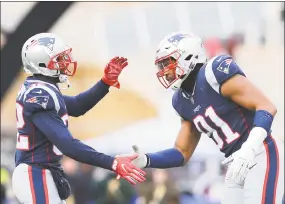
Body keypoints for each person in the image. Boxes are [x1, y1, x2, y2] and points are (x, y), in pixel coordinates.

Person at [122, 32, 284, 204]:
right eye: (161, 66)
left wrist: (249, 148)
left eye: (168, 63)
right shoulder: (181, 100)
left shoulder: (214, 73)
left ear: (188, 56)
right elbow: (181, 153)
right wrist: (146, 159)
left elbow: (266, 106)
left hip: (261, 151)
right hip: (235, 162)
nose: (164, 71)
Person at [12, 33, 146, 204]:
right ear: (41, 63)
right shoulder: (39, 94)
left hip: (42, 172)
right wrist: (112, 162)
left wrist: (105, 83)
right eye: (59, 59)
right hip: (34, 173)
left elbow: (77, 106)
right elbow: (67, 145)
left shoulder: (42, 88)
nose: (65, 62)